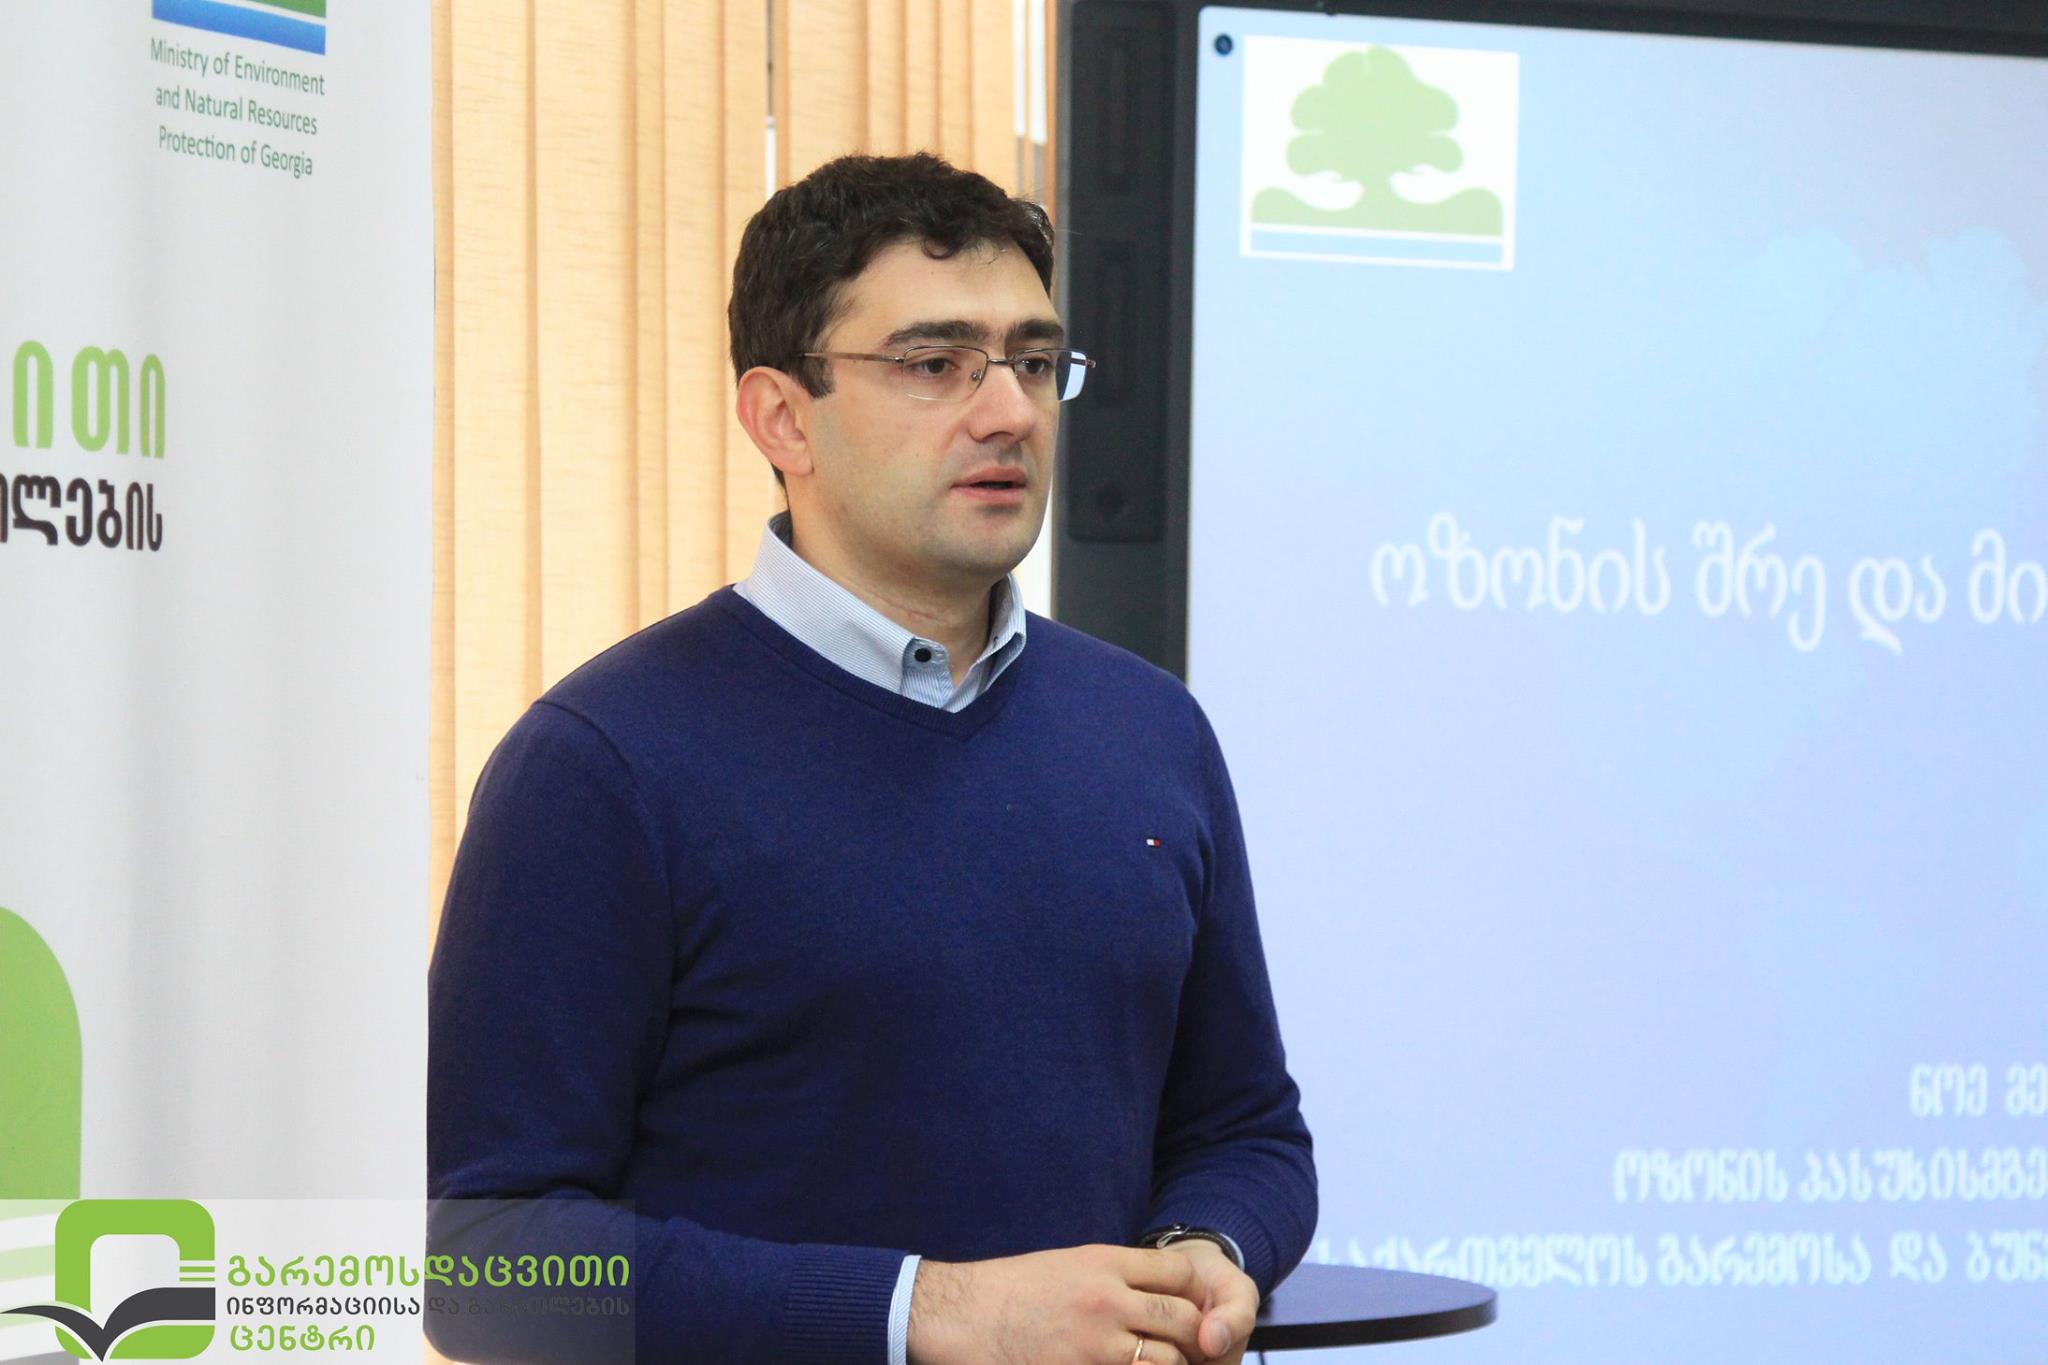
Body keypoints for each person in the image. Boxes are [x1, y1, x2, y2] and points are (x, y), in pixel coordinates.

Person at [428, 151, 1316, 1365]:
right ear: (780, 417)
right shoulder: (601, 763)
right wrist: (926, 1314)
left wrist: (1202, 1250)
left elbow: (1246, 1131)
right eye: (934, 364)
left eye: (1033, 362)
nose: (1008, 412)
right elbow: (486, 1262)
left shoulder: (1151, 730)